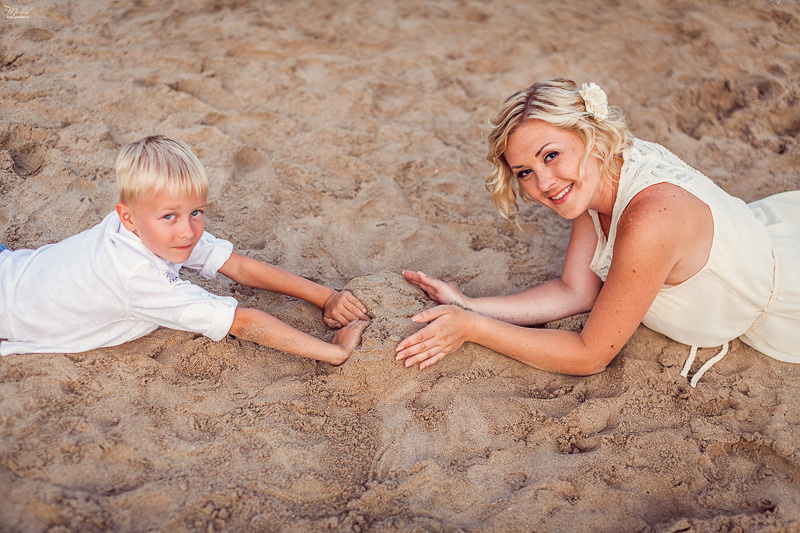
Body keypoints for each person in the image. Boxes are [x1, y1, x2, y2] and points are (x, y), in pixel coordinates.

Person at [396, 78, 799, 386]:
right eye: (525, 173)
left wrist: (473, 329)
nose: (544, 184)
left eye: (551, 155)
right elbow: (577, 290)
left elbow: (589, 355)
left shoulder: (650, 218)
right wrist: (469, 304)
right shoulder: (597, 177)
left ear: (591, 134)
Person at [0, 135, 370, 364]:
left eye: (196, 212)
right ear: (127, 217)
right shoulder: (136, 276)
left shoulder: (151, 229)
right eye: (170, 216)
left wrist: (326, 297)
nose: (187, 230)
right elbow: (242, 323)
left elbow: (237, 266)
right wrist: (334, 352)